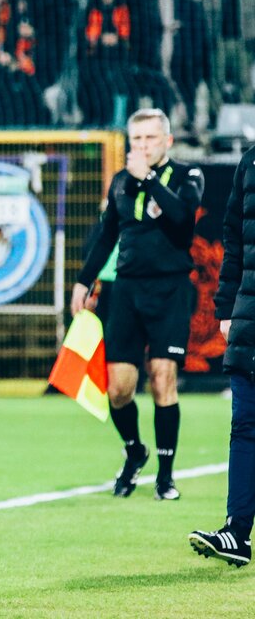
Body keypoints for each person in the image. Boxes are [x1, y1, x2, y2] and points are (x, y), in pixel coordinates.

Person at [71, 108, 205, 500]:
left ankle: (165, 477)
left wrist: (148, 178)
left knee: (163, 378)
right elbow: (106, 237)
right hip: (127, 291)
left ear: (168, 141)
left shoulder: (187, 176)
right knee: (118, 389)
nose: (143, 146)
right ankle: (135, 451)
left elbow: (182, 219)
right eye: (137, 139)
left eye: (150, 138)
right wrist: (83, 281)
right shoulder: (120, 183)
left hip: (170, 290)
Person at [188, 144, 255, 567]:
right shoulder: (249, 161)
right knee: (245, 424)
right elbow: (233, 237)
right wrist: (227, 308)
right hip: (249, 316)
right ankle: (236, 533)